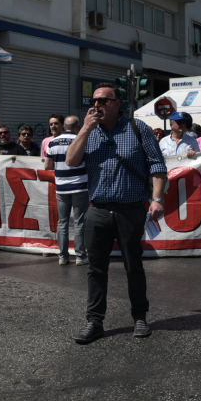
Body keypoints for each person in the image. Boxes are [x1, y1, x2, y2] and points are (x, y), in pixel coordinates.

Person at [66, 83, 168, 344]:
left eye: (103, 100)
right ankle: (94, 321)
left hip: (130, 210)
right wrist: (85, 129)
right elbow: (71, 161)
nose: (97, 105)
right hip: (98, 210)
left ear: (117, 104)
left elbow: (157, 165)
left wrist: (157, 199)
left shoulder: (137, 128)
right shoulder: (88, 131)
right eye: (94, 100)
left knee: (133, 266)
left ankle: (140, 317)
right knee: (96, 269)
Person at [44, 116, 89, 266]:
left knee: (62, 222)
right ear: (78, 127)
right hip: (80, 186)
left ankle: (63, 257)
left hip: (62, 187)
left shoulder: (52, 142)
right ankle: (80, 256)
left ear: (64, 126)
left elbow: (47, 166)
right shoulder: (82, 140)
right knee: (79, 222)